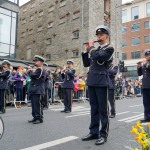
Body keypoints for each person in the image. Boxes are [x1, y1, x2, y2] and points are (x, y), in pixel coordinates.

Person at [81, 25, 114, 145]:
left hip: (101, 82)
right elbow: (86, 64)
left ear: (106, 36)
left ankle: (103, 134)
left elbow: (100, 56)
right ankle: (93, 132)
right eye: (97, 35)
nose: (99, 36)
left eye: (101, 35)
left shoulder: (109, 49)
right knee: (93, 108)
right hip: (92, 81)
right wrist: (85, 51)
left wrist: (91, 48)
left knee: (103, 110)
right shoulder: (95, 50)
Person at [28, 55, 46, 124]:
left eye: (36, 61)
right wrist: (31, 70)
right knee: (34, 104)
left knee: (37, 105)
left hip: (38, 90)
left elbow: (34, 76)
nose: (35, 62)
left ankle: (39, 118)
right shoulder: (37, 69)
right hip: (34, 89)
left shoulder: (40, 69)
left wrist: (29, 70)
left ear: (41, 62)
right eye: (35, 61)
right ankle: (35, 117)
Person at [137, 49, 150, 123]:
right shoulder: (145, 63)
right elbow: (139, 74)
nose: (148, 56)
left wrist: (144, 64)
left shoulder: (146, 64)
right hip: (145, 85)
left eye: (148, 55)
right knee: (146, 102)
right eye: (146, 55)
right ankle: (147, 117)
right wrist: (139, 67)